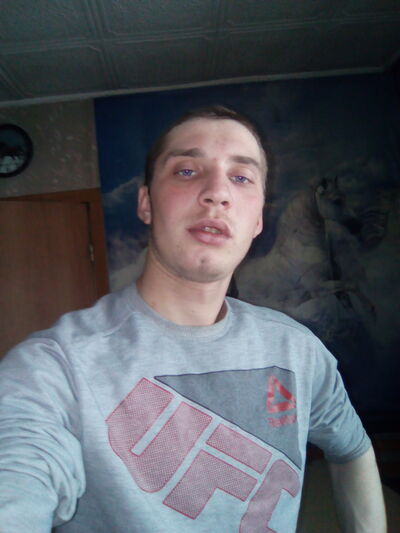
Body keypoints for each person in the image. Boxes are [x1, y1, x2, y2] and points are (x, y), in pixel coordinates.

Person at [0, 106, 386, 533]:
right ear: (146, 203)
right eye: (186, 171)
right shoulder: (55, 368)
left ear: (258, 219)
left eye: (241, 177)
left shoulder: (298, 350)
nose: (217, 192)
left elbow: (352, 449)